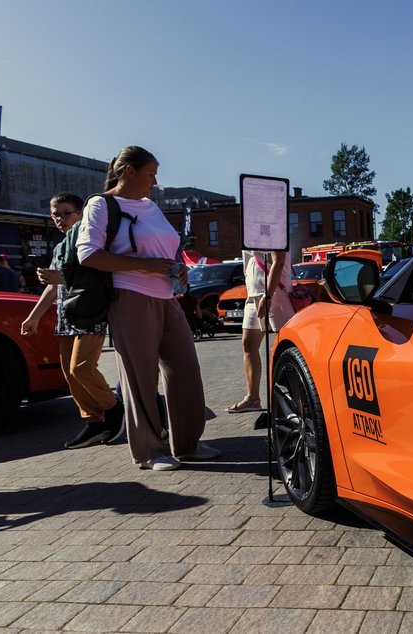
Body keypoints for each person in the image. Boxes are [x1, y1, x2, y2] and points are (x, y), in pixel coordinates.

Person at [76, 145, 218, 471]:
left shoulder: (150, 206)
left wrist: (177, 267)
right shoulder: (101, 205)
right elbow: (89, 254)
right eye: (151, 173)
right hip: (129, 297)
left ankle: (187, 444)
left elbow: (165, 249)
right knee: (140, 377)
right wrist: (145, 266)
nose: (154, 181)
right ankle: (151, 451)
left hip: (167, 297)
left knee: (185, 369)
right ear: (130, 171)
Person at [21, 193, 125, 449]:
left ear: (80, 214)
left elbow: (98, 277)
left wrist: (60, 278)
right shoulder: (60, 247)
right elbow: (52, 289)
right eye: (55, 214)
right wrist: (33, 316)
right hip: (67, 315)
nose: (60, 219)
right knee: (69, 373)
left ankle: (114, 409)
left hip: (90, 313)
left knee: (81, 368)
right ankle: (93, 422)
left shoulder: (90, 239)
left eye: (66, 213)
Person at [226, 249, 295, 413]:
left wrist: (268, 295)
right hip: (253, 294)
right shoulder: (248, 229)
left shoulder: (273, 226)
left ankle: (298, 398)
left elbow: (278, 261)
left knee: (289, 347)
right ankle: (252, 398)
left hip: (276, 294)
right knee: (248, 344)